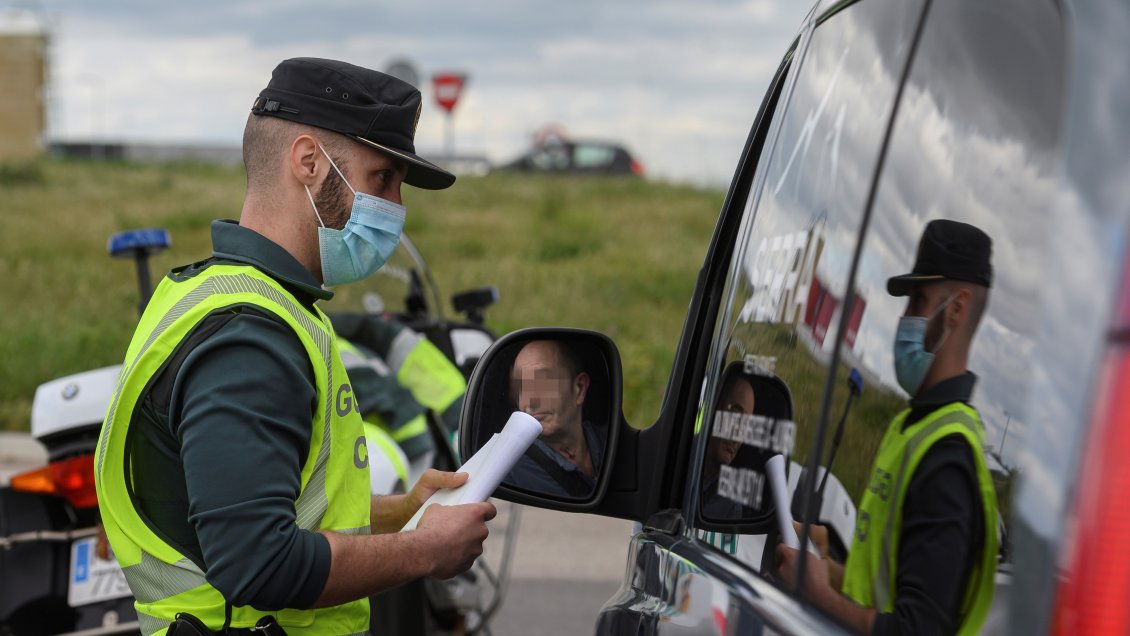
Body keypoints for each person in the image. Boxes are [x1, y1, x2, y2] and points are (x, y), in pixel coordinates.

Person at [94, 57, 496, 635]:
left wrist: (406, 514)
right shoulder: (251, 335)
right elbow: (259, 563)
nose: (396, 209)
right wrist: (423, 552)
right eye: (383, 179)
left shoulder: (227, 294)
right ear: (309, 162)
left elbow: (259, 509)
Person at [776, 219, 999, 636]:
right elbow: (881, 595)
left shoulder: (947, 457)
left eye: (918, 300)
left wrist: (819, 595)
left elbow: (918, 629)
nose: (905, 318)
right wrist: (828, 571)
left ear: (956, 309)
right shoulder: (912, 426)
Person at [505, 340, 605, 497]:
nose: (530, 401)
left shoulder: (614, 444)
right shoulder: (511, 472)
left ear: (579, 388)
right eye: (521, 387)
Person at [700, 369, 753, 518]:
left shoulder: (730, 504)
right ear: (714, 407)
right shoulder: (677, 460)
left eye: (746, 424)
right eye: (736, 414)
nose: (739, 433)